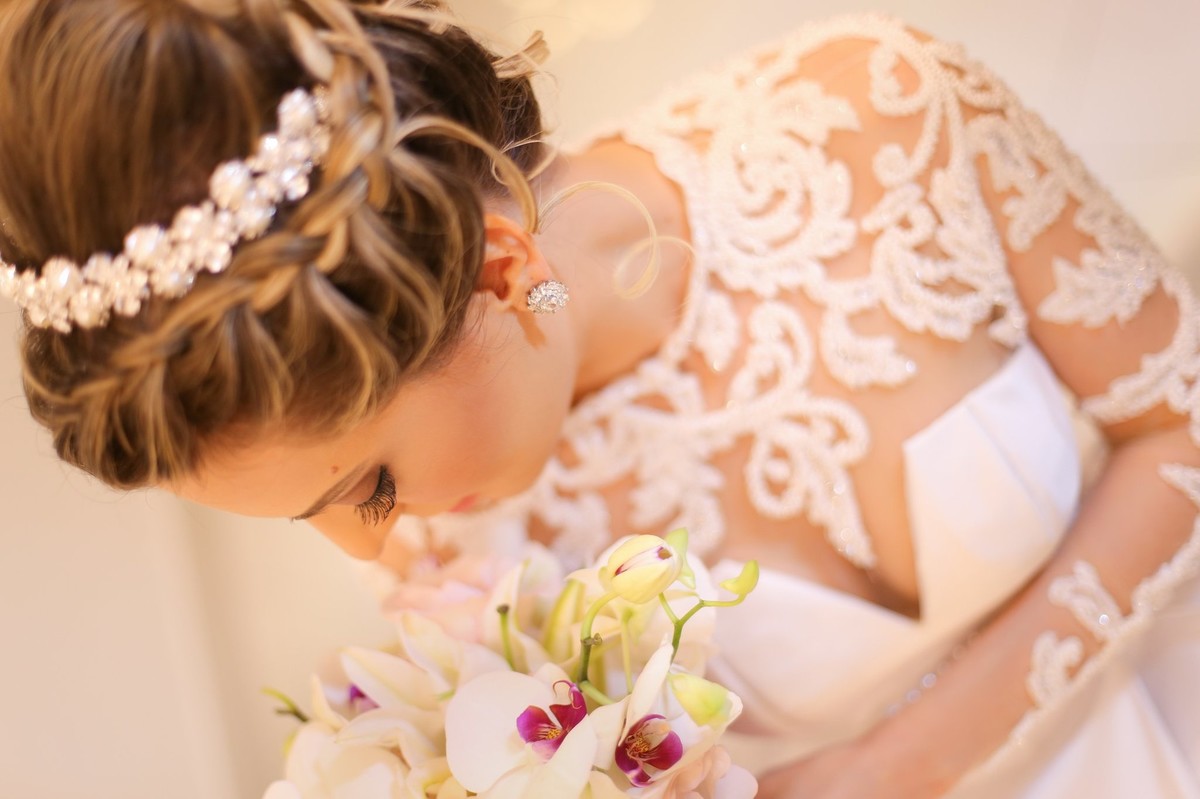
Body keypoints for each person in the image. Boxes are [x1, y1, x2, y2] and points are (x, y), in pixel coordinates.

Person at [2, 0, 1197, 796]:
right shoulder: (459, 549)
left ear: (505, 269)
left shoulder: (887, 116)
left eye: (365, 483)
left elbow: (1182, 428)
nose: (380, 544)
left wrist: (891, 769)